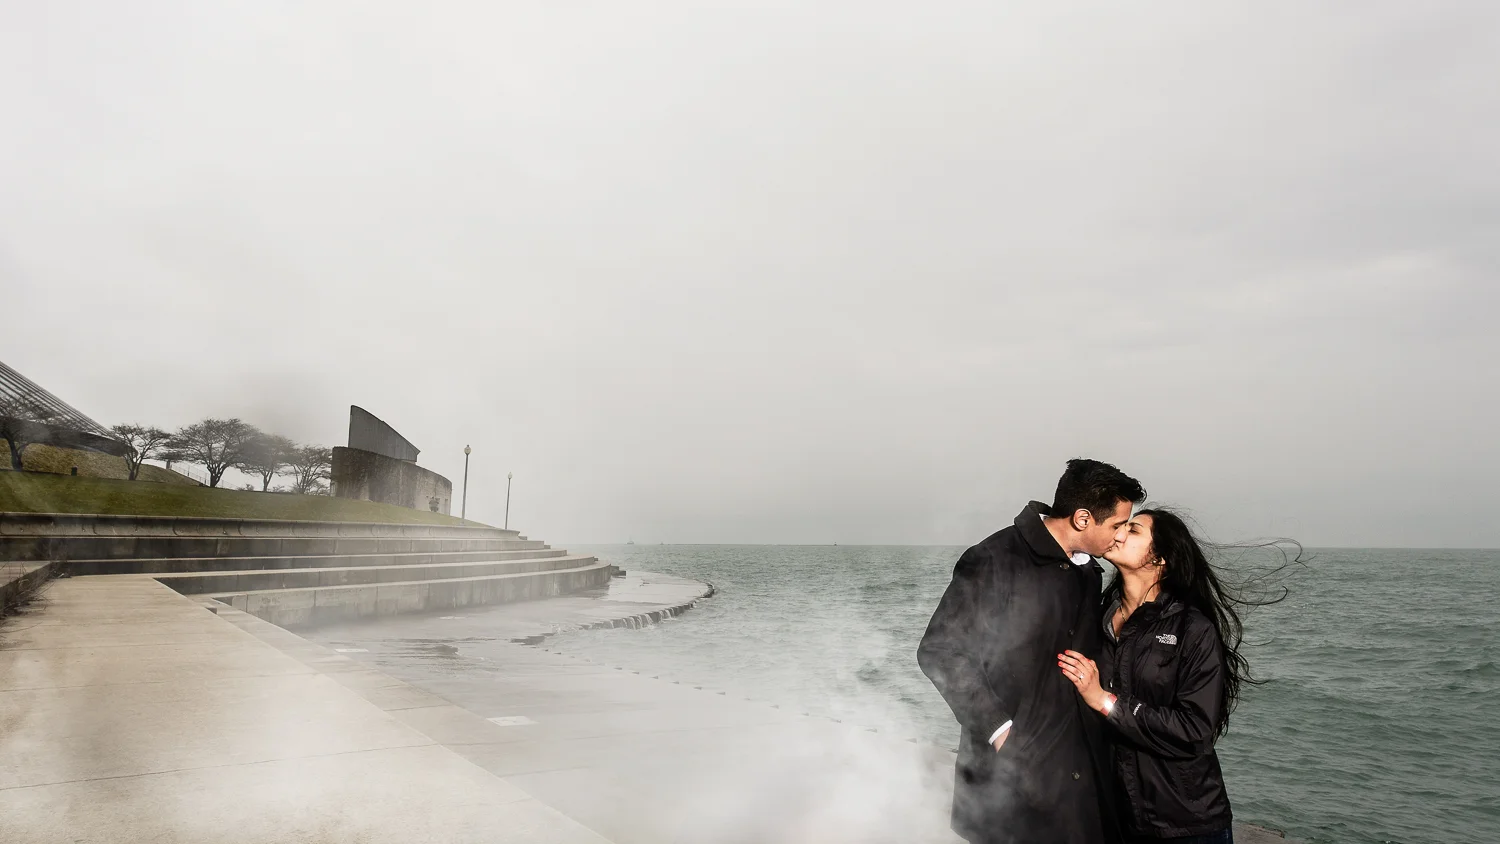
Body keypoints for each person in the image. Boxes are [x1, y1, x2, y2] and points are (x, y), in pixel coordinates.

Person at [919, 458, 1146, 844]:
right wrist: (1000, 730)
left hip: (1076, 774)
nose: (1122, 534)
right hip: (1007, 775)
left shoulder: (1089, 572)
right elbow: (940, 650)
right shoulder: (994, 558)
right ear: (1083, 519)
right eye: (1117, 525)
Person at [1058, 508, 1248, 844]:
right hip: (1117, 819)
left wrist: (1106, 702)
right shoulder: (1097, 619)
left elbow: (1195, 730)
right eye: (1121, 526)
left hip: (1186, 823)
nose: (1118, 533)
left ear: (1159, 558)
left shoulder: (1193, 629)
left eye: (1133, 530)